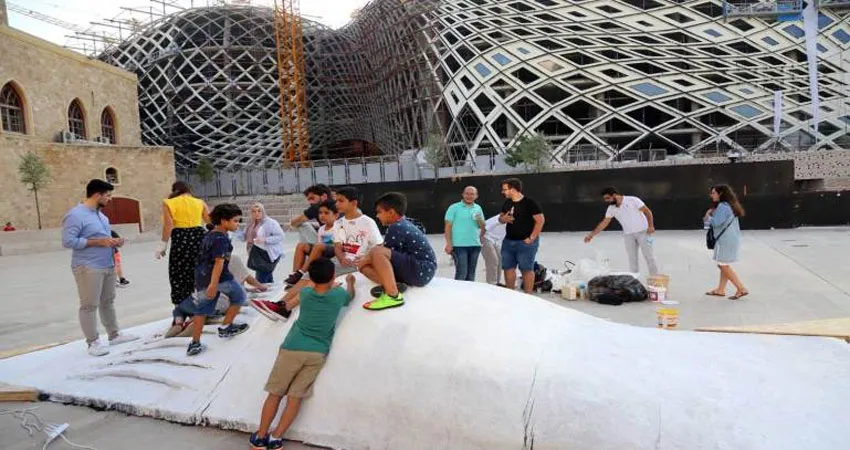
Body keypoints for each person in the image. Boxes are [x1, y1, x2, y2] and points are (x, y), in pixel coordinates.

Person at [249, 258, 355, 450]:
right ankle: (276, 438)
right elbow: (350, 297)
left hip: (292, 347)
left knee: (275, 394)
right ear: (333, 276)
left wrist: (315, 282)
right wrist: (350, 283)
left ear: (312, 279)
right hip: (317, 353)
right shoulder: (339, 295)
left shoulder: (306, 293)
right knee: (295, 398)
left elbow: (308, 290)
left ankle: (261, 436)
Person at [62, 179, 138, 356]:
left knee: (108, 301)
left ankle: (114, 335)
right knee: (89, 305)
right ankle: (93, 342)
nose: (110, 199)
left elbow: (104, 239)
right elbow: (68, 241)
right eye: (108, 196)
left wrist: (114, 242)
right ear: (97, 195)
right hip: (88, 266)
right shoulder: (75, 215)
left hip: (108, 264)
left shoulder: (102, 216)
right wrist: (98, 242)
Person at [187, 203, 249, 356]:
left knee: (201, 309)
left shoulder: (209, 235)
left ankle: (195, 342)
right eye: (235, 221)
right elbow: (218, 262)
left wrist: (201, 281)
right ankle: (226, 327)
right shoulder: (221, 239)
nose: (238, 224)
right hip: (220, 278)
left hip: (202, 277)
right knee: (240, 296)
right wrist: (213, 285)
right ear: (223, 221)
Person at [359, 192, 437, 311]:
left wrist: (364, 260)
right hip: (420, 270)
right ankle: (395, 284)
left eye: (379, 212)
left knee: (376, 252)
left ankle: (392, 295)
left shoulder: (396, 227)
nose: (377, 216)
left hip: (422, 269)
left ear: (391, 212)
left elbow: (382, 254)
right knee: (365, 268)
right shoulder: (405, 222)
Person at [168, 253, 269, 337]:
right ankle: (193, 323)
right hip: (221, 303)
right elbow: (247, 279)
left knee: (180, 307)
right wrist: (261, 286)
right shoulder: (233, 259)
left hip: (200, 299)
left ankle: (178, 322)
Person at [156, 182, 210, 306]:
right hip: (199, 237)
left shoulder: (169, 203)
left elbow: (168, 225)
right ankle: (203, 304)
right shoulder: (200, 202)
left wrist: (163, 244)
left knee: (179, 273)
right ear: (189, 190)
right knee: (199, 271)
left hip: (181, 239)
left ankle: (182, 307)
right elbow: (209, 222)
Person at [584, 187, 659, 275]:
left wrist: (651, 226)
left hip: (644, 232)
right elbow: (604, 223)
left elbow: (647, 211)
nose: (606, 201)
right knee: (632, 259)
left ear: (614, 195)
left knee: (649, 256)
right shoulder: (611, 208)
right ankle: (633, 278)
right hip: (628, 235)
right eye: (605, 199)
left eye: (608, 198)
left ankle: (655, 278)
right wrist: (591, 235)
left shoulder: (633, 200)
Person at [499, 178, 544, 294]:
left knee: (526, 269)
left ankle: (528, 296)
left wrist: (531, 238)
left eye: (505, 189)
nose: (503, 192)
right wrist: (503, 219)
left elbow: (540, 221)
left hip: (525, 243)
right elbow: (501, 217)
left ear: (513, 189)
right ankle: (510, 294)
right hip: (508, 242)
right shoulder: (507, 202)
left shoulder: (530, 203)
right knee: (508, 268)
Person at [704, 185, 749, 300]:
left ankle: (741, 288)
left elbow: (716, 222)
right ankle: (721, 289)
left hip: (725, 240)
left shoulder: (723, 207)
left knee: (722, 264)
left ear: (720, 194)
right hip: (731, 238)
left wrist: (708, 216)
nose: (711, 195)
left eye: (713, 193)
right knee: (723, 264)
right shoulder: (730, 205)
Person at [283, 200, 339, 288]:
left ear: (336, 215)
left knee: (318, 246)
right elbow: (319, 247)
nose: (322, 215)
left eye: (326, 213)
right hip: (322, 251)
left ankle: (301, 273)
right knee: (301, 245)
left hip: (335, 251)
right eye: (320, 213)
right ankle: (294, 275)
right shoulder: (321, 229)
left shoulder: (339, 227)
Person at [444, 186, 485, 281]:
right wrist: (449, 243)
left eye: (472, 194)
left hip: (475, 245)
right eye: (467, 193)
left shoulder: (478, 208)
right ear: (462, 194)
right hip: (459, 246)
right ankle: (458, 291)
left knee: (471, 275)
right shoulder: (454, 207)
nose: (469, 196)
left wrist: (479, 219)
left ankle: (469, 291)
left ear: (476, 196)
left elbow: (482, 226)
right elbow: (447, 227)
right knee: (461, 273)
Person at [245, 202, 285, 284]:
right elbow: (245, 236)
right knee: (267, 278)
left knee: (261, 280)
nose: (256, 213)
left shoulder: (270, 223)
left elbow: (280, 236)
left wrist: (265, 239)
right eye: (254, 211)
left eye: (259, 211)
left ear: (263, 211)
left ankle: (263, 291)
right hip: (256, 253)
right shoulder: (250, 223)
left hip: (267, 254)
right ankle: (271, 290)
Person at [481, 215, 507, 286]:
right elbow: (484, 227)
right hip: (486, 238)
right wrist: (480, 239)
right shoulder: (497, 219)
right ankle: (492, 283)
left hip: (497, 242)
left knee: (499, 261)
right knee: (493, 260)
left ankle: (497, 282)